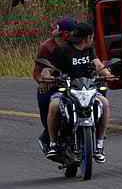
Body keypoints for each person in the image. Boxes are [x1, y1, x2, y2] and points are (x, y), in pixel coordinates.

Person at [40, 22, 116, 163]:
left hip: (88, 90)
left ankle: (99, 145)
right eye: (92, 37)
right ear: (87, 38)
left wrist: (108, 75)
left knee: (104, 103)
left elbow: (98, 65)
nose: (92, 40)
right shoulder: (63, 50)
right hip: (66, 91)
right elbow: (49, 69)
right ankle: (53, 145)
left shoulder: (89, 50)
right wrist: (46, 75)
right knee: (54, 105)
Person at [32, 17, 77, 145]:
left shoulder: (78, 44)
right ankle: (48, 129)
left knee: (101, 88)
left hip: (76, 81)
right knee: (43, 95)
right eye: (73, 32)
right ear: (65, 33)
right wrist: (42, 80)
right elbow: (37, 70)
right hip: (56, 82)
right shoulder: (46, 47)